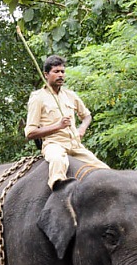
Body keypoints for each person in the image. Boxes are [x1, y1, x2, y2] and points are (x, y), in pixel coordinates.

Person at [24, 55, 108, 190]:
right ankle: (58, 192)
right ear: (46, 74)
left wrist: (82, 130)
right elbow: (30, 133)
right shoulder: (38, 98)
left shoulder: (70, 95)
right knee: (57, 162)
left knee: (105, 171)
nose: (60, 75)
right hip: (54, 145)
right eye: (56, 72)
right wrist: (58, 126)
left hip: (76, 146)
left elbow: (87, 116)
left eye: (62, 71)